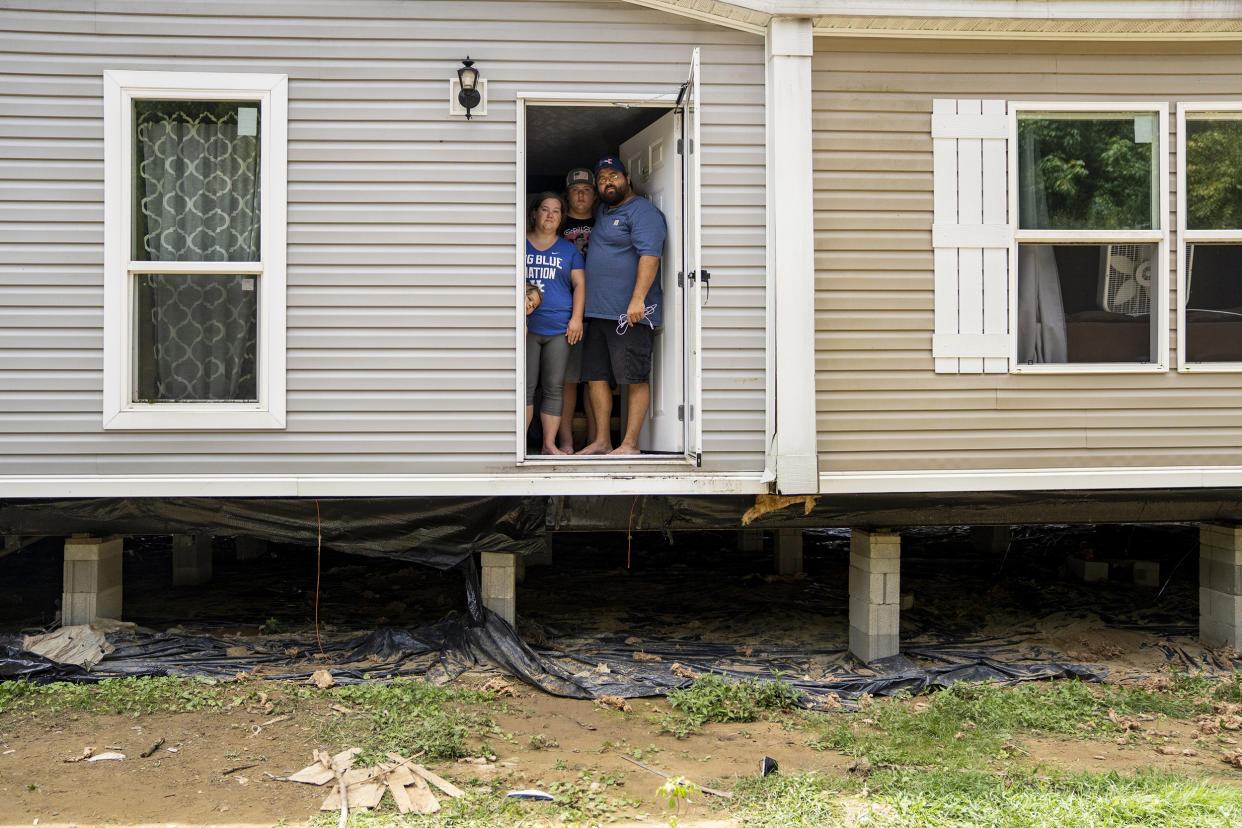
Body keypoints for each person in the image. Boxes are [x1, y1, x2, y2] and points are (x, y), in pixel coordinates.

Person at [576, 157, 667, 456]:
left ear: (627, 178)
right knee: (595, 377)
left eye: (612, 176)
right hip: (597, 312)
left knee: (634, 377)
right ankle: (603, 441)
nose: (607, 183)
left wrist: (638, 299)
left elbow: (650, 256)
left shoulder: (643, 212)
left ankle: (629, 444)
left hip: (629, 315)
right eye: (601, 179)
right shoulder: (604, 210)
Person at [525, 192, 584, 455]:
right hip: (526, 326)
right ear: (534, 213)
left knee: (553, 387)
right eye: (545, 209)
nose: (550, 215)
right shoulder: (518, 244)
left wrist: (576, 319)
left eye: (556, 211)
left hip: (559, 327)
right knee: (524, 386)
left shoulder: (568, 249)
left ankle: (549, 444)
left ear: (561, 218)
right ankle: (520, 443)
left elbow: (580, 284)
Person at [557, 167, 598, 453]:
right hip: (564, 310)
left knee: (596, 378)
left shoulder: (606, 221)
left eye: (585, 189)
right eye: (575, 190)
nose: (580, 194)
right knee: (568, 380)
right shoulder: (557, 224)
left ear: (594, 195)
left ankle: (598, 441)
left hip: (600, 308)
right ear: (567, 194)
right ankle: (566, 440)